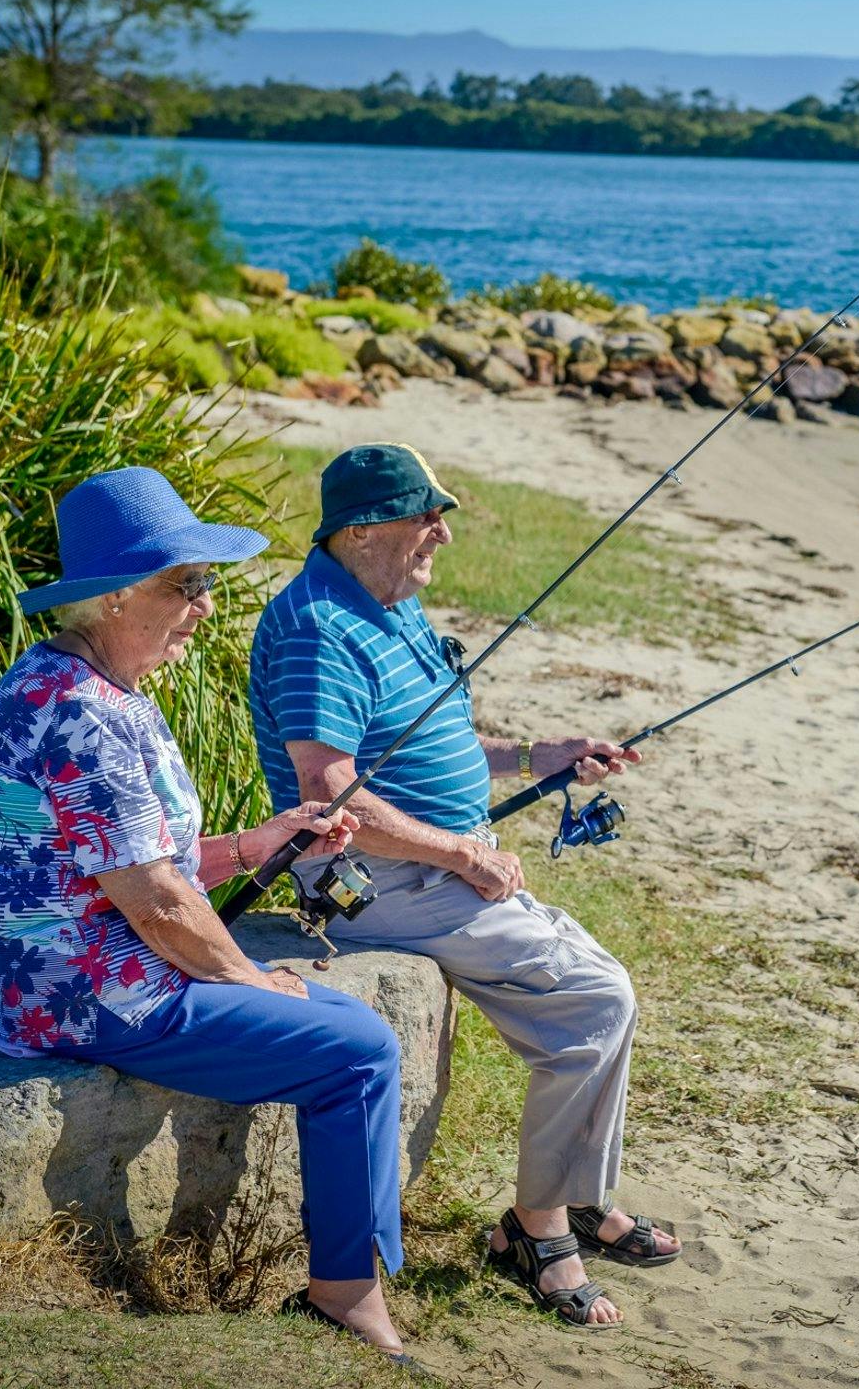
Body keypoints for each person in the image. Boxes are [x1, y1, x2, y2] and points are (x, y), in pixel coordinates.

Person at [0, 466, 419, 1371]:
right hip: (90, 993)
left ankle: (350, 1276)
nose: (205, 607)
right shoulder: (78, 714)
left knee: (351, 1027)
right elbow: (157, 902)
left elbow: (141, 864)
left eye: (206, 583)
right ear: (114, 595)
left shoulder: (93, 689)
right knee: (356, 1051)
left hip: (112, 967)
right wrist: (251, 978)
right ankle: (346, 1290)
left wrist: (260, 843)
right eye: (187, 586)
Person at [248, 443, 679, 1331]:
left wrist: (540, 757)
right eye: (425, 518)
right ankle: (539, 1229)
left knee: (601, 988)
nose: (441, 535)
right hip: (375, 874)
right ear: (360, 530)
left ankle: (577, 1198)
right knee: (595, 1001)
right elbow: (329, 796)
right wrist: (460, 855)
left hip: (431, 859)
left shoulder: (388, 603)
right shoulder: (319, 629)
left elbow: (427, 751)